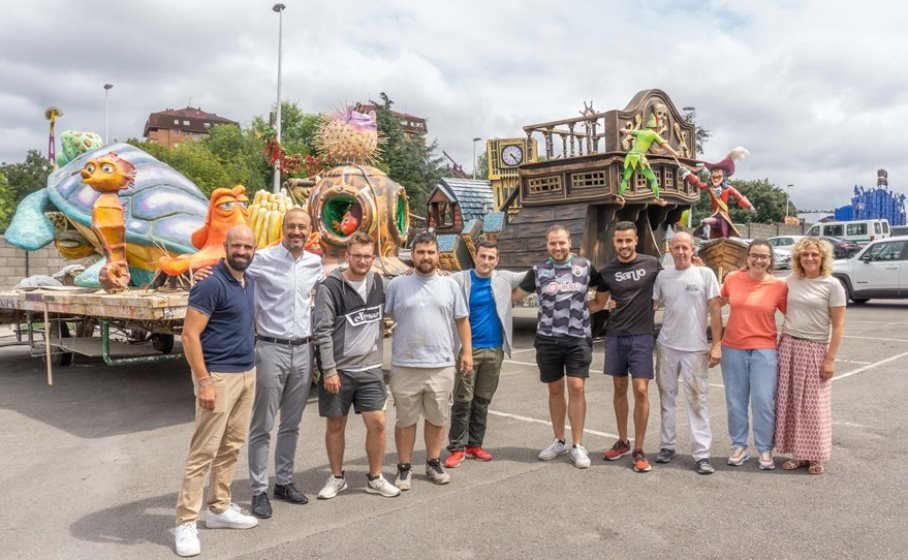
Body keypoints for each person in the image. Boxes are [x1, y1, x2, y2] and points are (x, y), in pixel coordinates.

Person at [174, 226, 259, 558]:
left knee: (231, 446)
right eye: (236, 245)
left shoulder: (248, 280)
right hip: (219, 377)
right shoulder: (210, 285)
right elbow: (189, 336)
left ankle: (219, 508)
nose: (242, 250)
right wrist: (204, 381)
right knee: (203, 452)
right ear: (225, 247)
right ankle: (186, 521)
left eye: (247, 246)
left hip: (246, 373)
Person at [245, 208, 325, 518]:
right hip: (270, 348)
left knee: (291, 424)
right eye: (291, 226)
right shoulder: (262, 259)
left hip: (303, 351)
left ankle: (285, 481)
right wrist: (204, 273)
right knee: (262, 425)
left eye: (302, 227)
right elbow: (231, 271)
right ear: (283, 229)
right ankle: (258, 490)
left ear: (309, 231)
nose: (296, 232)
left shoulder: (314, 264)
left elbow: (343, 276)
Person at [312, 232, 401, 499]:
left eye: (367, 256)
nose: (362, 261)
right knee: (336, 426)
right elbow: (322, 331)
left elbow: (410, 281)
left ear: (373, 258)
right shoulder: (330, 287)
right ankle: (337, 478)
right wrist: (328, 370)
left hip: (370, 368)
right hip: (338, 372)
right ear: (347, 256)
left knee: (378, 423)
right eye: (357, 255)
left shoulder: (380, 283)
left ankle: (375, 477)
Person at [385, 231, 472, 490]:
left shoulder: (450, 285)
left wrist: (467, 352)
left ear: (438, 255)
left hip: (441, 365)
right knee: (405, 420)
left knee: (437, 418)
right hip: (405, 364)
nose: (425, 256)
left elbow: (462, 320)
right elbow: (382, 317)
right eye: (420, 252)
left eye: (430, 252)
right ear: (412, 255)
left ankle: (433, 461)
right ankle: (404, 467)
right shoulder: (397, 285)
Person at [514, 225, 599, 469]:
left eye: (562, 243)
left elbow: (603, 289)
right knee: (554, 389)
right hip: (547, 338)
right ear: (547, 244)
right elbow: (514, 295)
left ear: (569, 242)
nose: (558, 247)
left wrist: (596, 306)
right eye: (553, 243)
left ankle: (578, 445)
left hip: (578, 337)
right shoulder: (539, 270)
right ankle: (559, 440)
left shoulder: (585, 266)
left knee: (577, 387)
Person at [443, 240, 527, 468]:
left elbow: (533, 274)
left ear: (497, 261)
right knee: (463, 400)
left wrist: (557, 257)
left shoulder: (503, 279)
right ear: (475, 257)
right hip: (467, 350)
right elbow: (436, 279)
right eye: (483, 256)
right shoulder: (459, 280)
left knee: (482, 401)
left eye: (491, 258)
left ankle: (474, 445)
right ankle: (457, 448)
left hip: (494, 349)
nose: (486, 261)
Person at [590, 222, 662, 473]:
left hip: (641, 335)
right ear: (614, 242)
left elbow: (671, 283)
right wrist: (565, 306)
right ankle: (622, 441)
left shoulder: (652, 264)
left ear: (635, 241)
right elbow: (598, 303)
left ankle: (639, 449)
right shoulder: (606, 271)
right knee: (619, 388)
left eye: (628, 241)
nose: (624, 246)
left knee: (641, 389)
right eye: (619, 241)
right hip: (615, 335)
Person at [651, 232, 723, 474]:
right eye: (676, 247)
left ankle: (702, 454)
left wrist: (716, 344)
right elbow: (651, 305)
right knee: (666, 399)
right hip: (667, 346)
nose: (680, 252)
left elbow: (715, 311)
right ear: (670, 250)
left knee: (697, 401)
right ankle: (667, 446)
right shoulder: (663, 276)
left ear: (693, 249)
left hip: (695, 349)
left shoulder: (705, 274)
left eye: (685, 247)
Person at [774, 238, 846, 475]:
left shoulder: (832, 285)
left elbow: (838, 326)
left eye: (815, 254)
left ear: (823, 257)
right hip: (789, 346)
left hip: (815, 349)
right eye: (805, 255)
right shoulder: (791, 281)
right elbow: (764, 282)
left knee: (814, 406)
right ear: (798, 258)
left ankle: (816, 456)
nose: (810, 258)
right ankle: (799, 455)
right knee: (791, 403)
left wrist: (830, 358)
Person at [720, 239, 787, 470]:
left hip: (764, 349)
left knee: (763, 400)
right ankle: (739, 445)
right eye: (754, 255)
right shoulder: (732, 279)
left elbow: (793, 315)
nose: (758, 260)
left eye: (764, 257)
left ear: (770, 261)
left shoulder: (779, 286)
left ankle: (765, 448)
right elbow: (717, 302)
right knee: (735, 400)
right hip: (733, 347)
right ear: (747, 257)